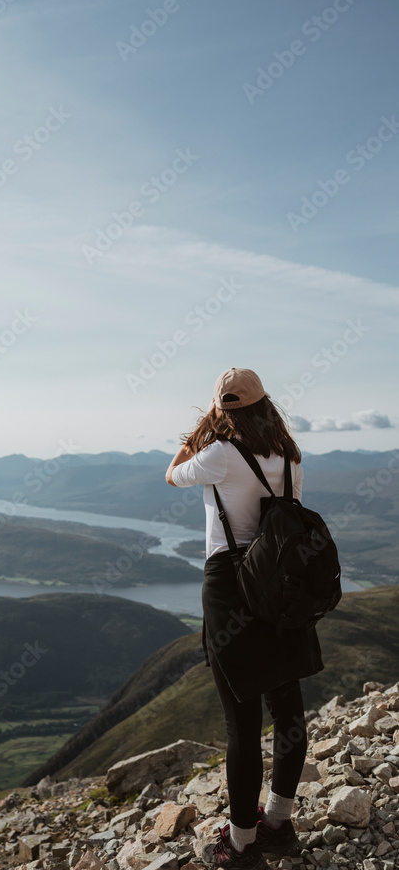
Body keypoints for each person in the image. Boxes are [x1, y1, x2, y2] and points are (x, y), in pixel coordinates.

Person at [165, 368, 323, 870]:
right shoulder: (290, 457)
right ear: (267, 405)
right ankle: (277, 822)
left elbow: (172, 472)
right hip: (279, 584)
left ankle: (239, 844)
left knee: (242, 723)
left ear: (221, 409)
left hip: (232, 586)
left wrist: (203, 428)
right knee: (288, 709)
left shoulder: (217, 454)